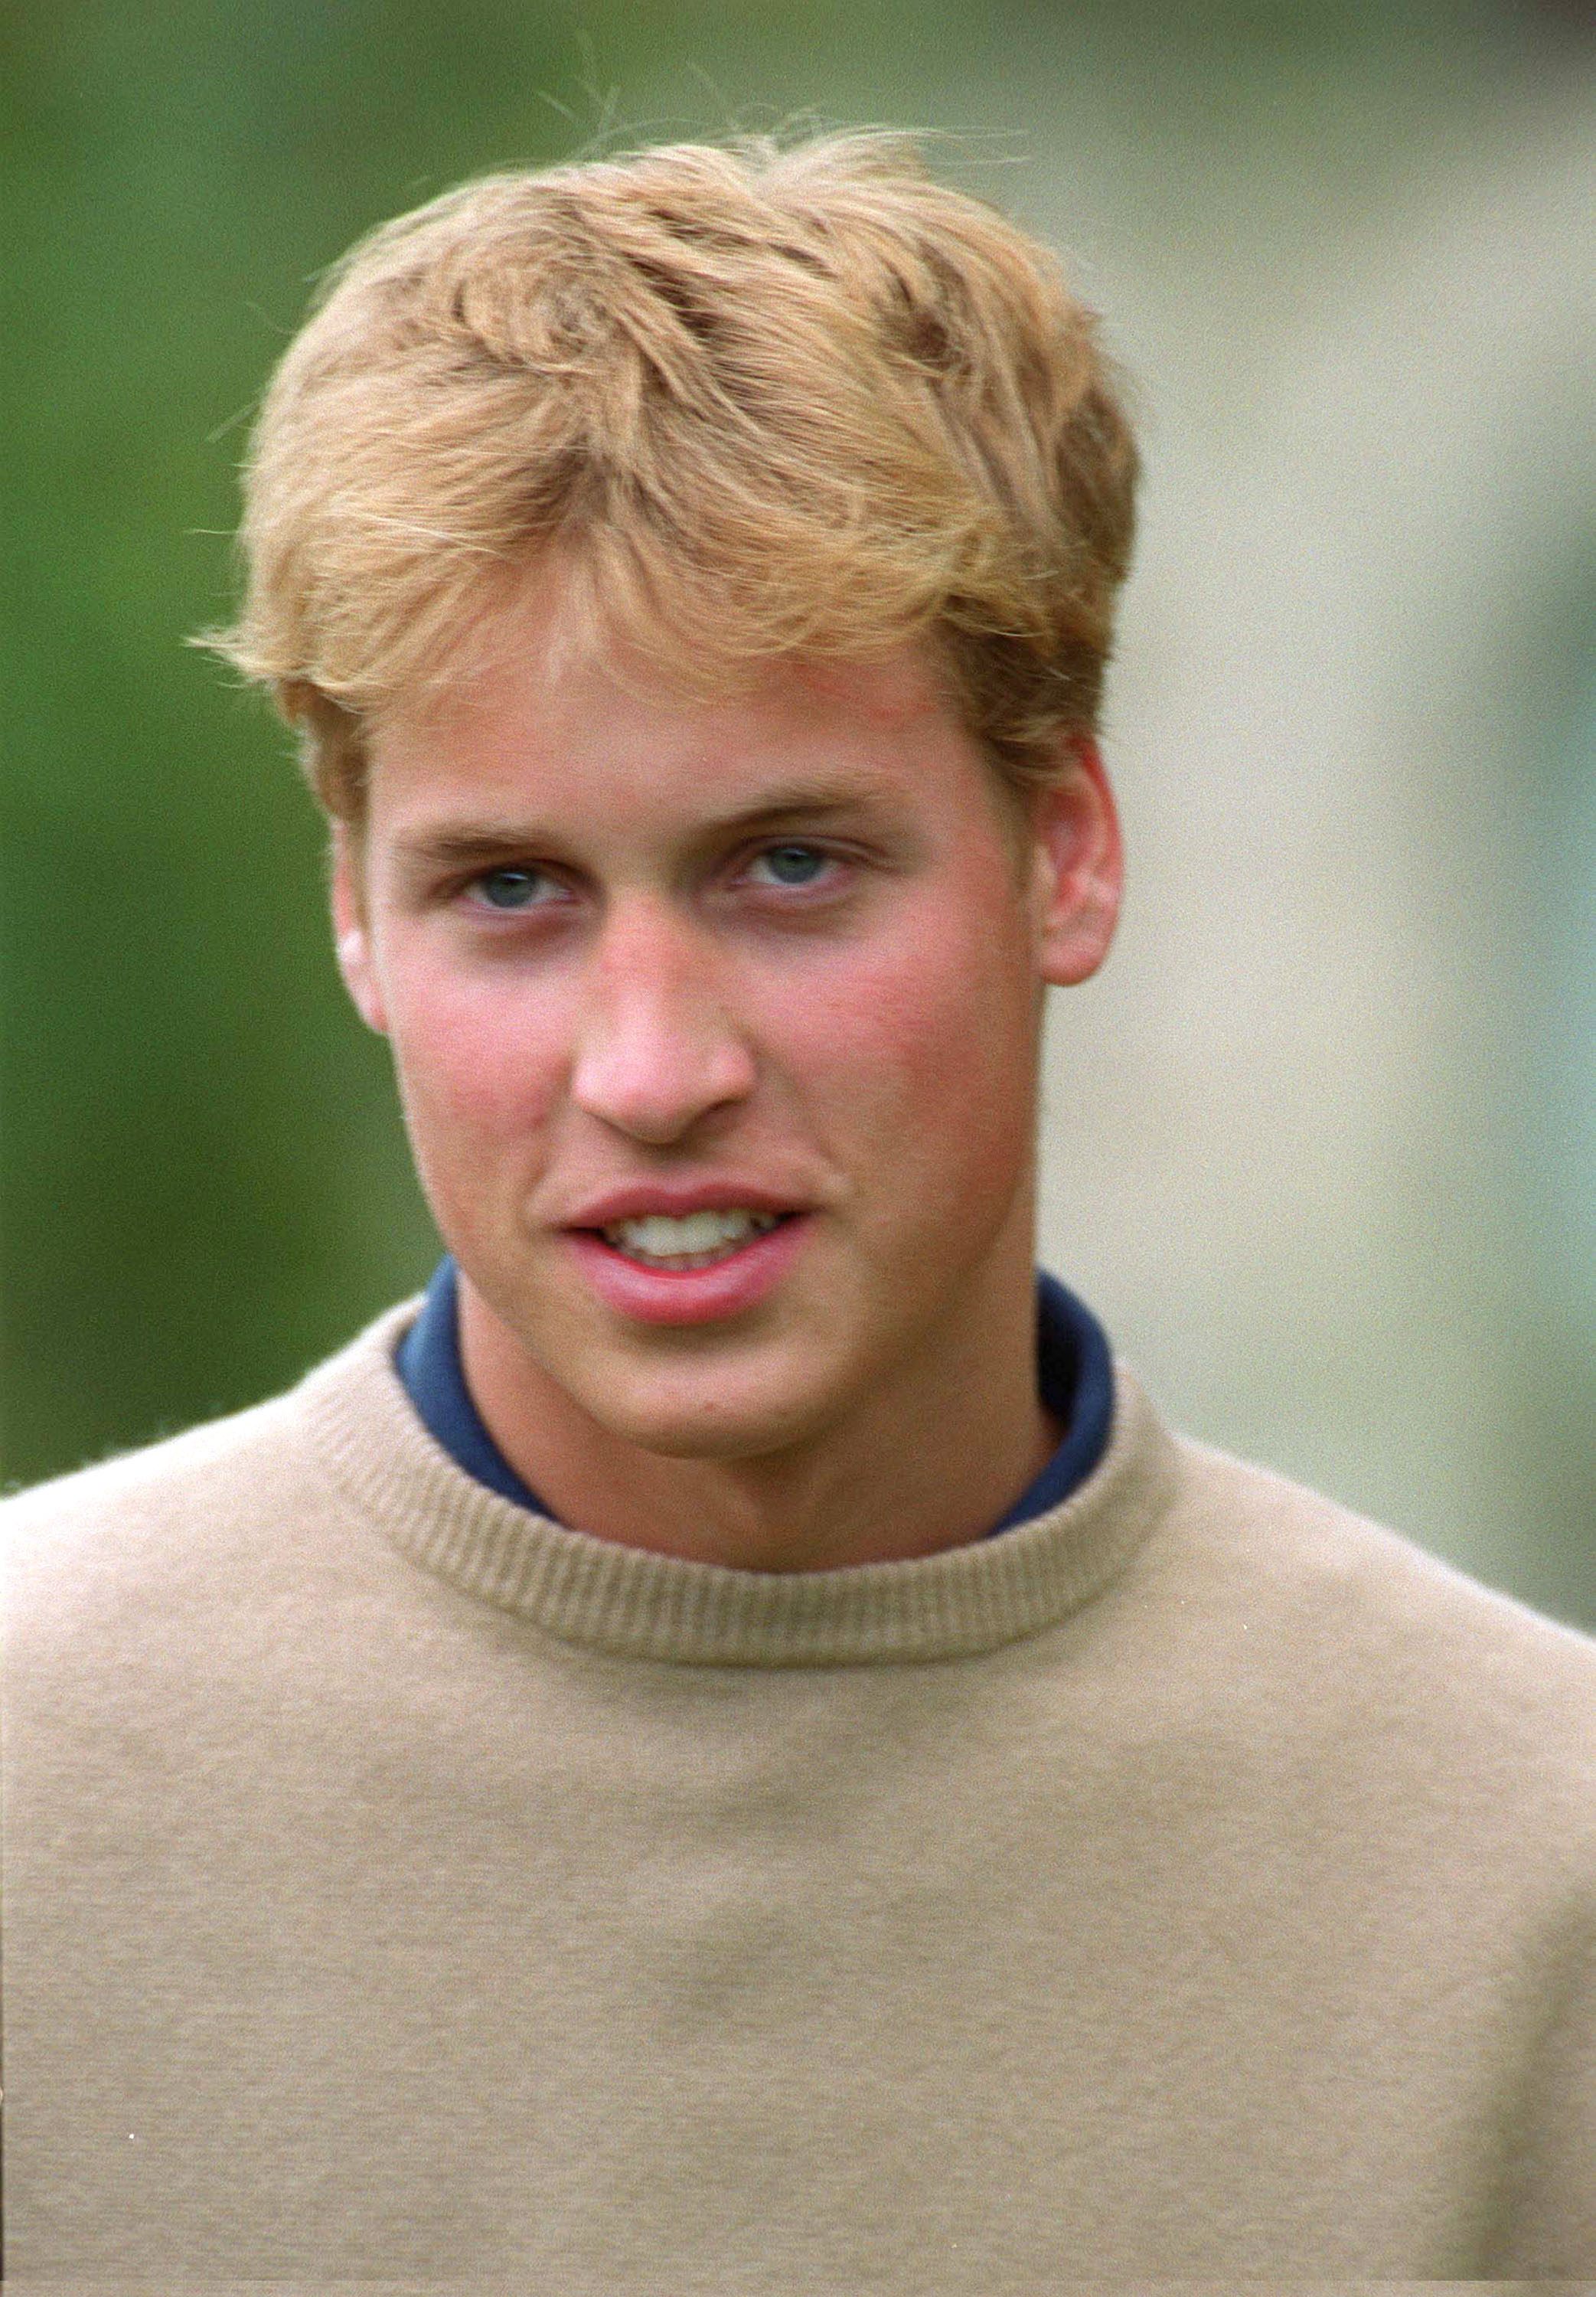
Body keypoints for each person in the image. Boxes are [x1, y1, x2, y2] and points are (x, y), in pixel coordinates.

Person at [2, 131, 1591, 2287]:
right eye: (510, 894)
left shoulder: (1532, 1881)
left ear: (1065, 849)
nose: (653, 1069)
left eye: (790, 866)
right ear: (355, 922)